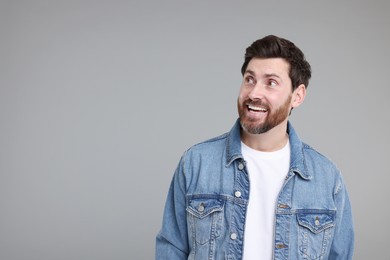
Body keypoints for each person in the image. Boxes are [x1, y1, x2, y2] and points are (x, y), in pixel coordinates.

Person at [155, 35, 354, 260]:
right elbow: (171, 249)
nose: (253, 93)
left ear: (297, 96)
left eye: (271, 82)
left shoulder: (327, 178)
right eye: (250, 79)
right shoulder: (196, 162)